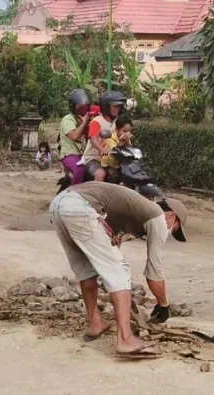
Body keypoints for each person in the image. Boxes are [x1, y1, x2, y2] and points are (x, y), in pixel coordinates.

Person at [49, 182, 188, 358]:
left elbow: (108, 246)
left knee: (86, 270)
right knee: (120, 271)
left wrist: (120, 296)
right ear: (171, 217)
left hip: (58, 205)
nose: (170, 232)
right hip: (79, 206)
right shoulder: (158, 217)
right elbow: (154, 271)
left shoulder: (132, 210)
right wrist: (163, 304)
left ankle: (95, 323)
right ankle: (126, 339)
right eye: (174, 229)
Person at [80, 91, 128, 182]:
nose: (117, 109)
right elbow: (93, 139)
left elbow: (124, 134)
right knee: (100, 174)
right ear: (106, 107)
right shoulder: (97, 121)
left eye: (119, 106)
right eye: (114, 106)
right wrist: (103, 149)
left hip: (110, 160)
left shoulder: (118, 122)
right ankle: (96, 196)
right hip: (94, 158)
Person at [59, 89, 93, 184]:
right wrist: (84, 122)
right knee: (80, 169)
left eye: (85, 106)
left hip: (86, 154)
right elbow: (74, 136)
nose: (83, 108)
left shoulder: (87, 118)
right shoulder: (68, 119)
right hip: (70, 154)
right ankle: (74, 193)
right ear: (73, 106)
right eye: (80, 106)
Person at [100, 116, 134, 183]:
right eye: (124, 131)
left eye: (129, 131)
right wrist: (122, 142)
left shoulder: (126, 139)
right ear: (116, 130)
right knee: (114, 176)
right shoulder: (110, 139)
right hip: (109, 164)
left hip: (119, 164)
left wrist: (127, 143)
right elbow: (115, 150)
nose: (127, 133)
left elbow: (130, 149)